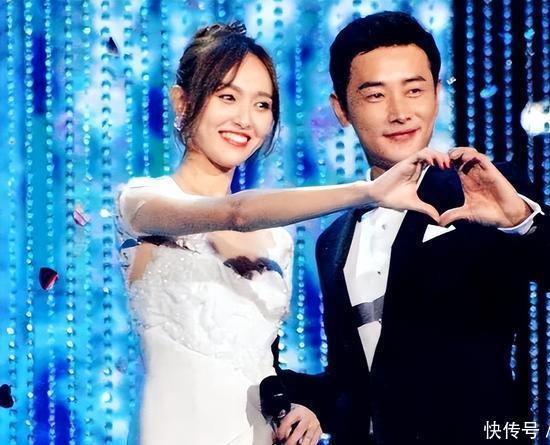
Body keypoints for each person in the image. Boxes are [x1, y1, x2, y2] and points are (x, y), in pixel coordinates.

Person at [114, 22, 447, 445]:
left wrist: (300, 410)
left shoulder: (276, 241)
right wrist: (367, 191)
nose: (244, 119)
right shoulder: (141, 202)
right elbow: (236, 213)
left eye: (262, 104)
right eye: (227, 96)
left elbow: (260, 370)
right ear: (182, 101)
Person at [274, 11, 550, 444]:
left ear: (437, 94)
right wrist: (277, 389)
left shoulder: (481, 191)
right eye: (375, 95)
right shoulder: (334, 240)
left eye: (414, 90)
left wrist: (519, 219)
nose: (399, 112)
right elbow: (353, 383)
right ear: (341, 109)